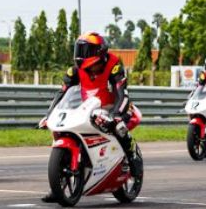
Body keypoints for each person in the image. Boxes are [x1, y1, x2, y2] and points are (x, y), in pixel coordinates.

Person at [41, 32, 142, 200]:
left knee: (119, 127)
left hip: (112, 106)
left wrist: (115, 114)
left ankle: (133, 160)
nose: (80, 56)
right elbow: (62, 93)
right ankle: (58, 186)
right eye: (79, 50)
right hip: (87, 107)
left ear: (99, 52)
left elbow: (122, 94)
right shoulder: (75, 70)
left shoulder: (114, 64)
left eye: (85, 51)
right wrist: (49, 115)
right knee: (60, 130)